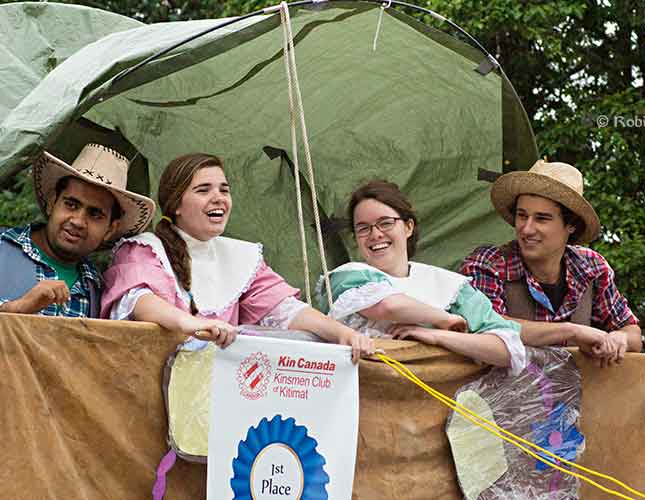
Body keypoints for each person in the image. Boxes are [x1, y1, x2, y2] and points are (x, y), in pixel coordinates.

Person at [101, 153, 373, 360]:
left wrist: (342, 333)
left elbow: (283, 310)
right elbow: (139, 300)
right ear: (176, 205)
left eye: (224, 189)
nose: (219, 197)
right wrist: (192, 323)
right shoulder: (144, 249)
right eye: (203, 190)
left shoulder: (241, 257)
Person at [319, 181, 605, 375]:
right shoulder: (346, 277)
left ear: (407, 227)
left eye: (385, 223)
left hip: (436, 422)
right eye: (363, 228)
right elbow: (387, 307)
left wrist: (436, 336)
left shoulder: (450, 286)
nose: (375, 234)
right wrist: (444, 319)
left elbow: (506, 349)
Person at [461, 160, 642, 367]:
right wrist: (572, 330)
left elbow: (632, 332)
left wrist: (621, 338)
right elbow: (488, 326)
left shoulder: (591, 267)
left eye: (542, 219)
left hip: (581, 397)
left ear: (571, 225)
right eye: (522, 216)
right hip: (500, 397)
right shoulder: (489, 263)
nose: (527, 229)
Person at [0, 144, 155, 318]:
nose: (78, 221)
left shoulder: (99, 292)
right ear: (52, 203)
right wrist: (16, 308)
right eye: (71, 204)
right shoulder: (2, 248)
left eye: (95, 214)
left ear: (111, 229)